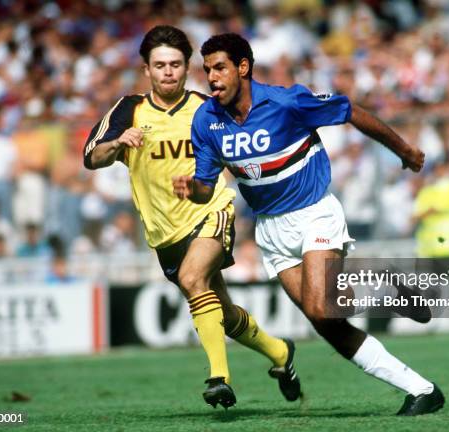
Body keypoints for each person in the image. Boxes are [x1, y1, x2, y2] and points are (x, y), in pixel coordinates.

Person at [173, 33, 445, 416]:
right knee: (330, 321)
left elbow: (350, 110)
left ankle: (386, 281)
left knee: (320, 308)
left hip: (314, 212)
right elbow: (205, 187)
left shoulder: (286, 101)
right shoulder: (207, 120)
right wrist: (193, 189)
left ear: (243, 67)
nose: (211, 78)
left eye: (219, 67)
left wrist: (404, 150)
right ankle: (422, 389)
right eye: (207, 70)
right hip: (270, 230)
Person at [83, 26, 300, 409]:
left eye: (176, 64)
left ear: (187, 69)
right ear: (147, 70)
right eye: (160, 65)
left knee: (192, 278)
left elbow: (248, 146)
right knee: (224, 313)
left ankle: (219, 378)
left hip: (211, 210)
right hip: (165, 232)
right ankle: (281, 353)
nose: (168, 72)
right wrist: (119, 143)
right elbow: (91, 157)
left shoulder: (208, 108)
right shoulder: (128, 110)